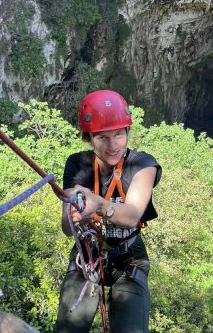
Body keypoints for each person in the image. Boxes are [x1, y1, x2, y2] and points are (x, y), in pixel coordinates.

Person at [55, 90, 162, 333]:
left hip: (128, 256)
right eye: (102, 137)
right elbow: (65, 227)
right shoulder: (77, 164)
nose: (113, 146)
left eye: (118, 134)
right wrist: (76, 212)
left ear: (127, 132)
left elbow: (133, 214)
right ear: (89, 138)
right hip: (88, 253)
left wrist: (99, 205)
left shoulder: (143, 164)